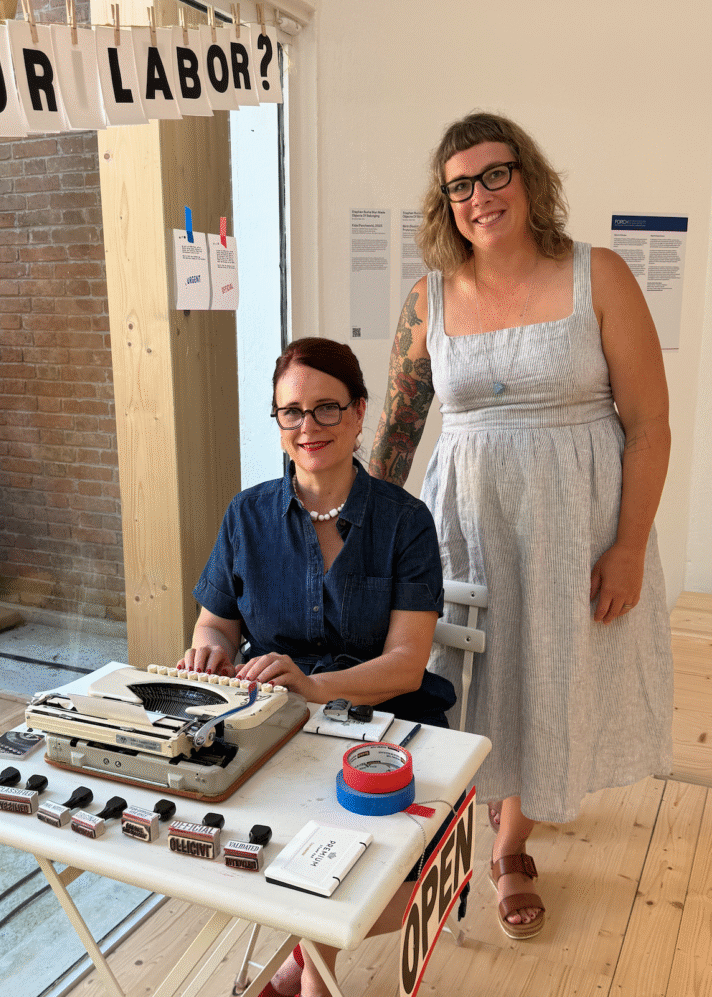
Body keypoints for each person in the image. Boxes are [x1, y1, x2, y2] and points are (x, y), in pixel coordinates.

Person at [369, 112, 673, 941]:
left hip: (578, 521)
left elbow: (648, 423)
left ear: (528, 177)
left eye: (494, 173)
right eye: (459, 184)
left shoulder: (597, 275)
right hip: (466, 521)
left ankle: (509, 846)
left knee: (550, 670)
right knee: (476, 673)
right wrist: (354, 531)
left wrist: (631, 546)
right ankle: (490, 811)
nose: (480, 195)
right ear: (446, 202)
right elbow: (397, 429)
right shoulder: (426, 298)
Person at [178, 336, 455, 997]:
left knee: (393, 877)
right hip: (275, 730)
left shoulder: (406, 523)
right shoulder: (246, 515)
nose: (309, 427)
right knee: (230, 844)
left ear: (360, 414)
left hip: (390, 727)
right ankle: (310, 972)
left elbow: (405, 666)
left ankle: (302, 969)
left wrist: (315, 686)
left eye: (327, 409)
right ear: (277, 422)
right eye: (292, 412)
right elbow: (216, 621)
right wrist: (212, 646)